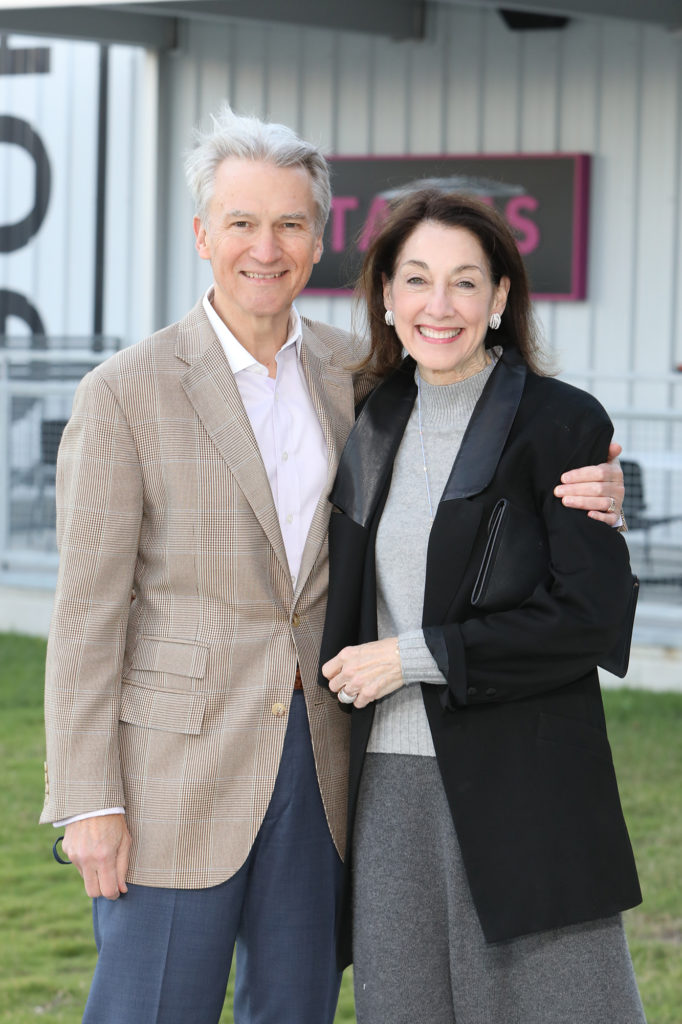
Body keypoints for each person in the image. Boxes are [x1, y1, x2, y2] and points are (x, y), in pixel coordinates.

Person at [40, 105, 627, 1024]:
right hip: (173, 779)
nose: (264, 248)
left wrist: (596, 488)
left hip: (325, 773)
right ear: (202, 234)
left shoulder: (362, 380)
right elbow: (85, 617)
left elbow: (480, 452)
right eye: (240, 222)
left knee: (298, 1008)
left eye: (289, 224)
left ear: (320, 242)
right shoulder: (125, 394)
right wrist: (87, 802)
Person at [320, 190, 646, 1024]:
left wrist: (409, 656)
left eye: (466, 282)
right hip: (388, 791)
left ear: (500, 298)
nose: (440, 305)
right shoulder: (362, 416)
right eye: (417, 279)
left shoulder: (562, 425)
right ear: (386, 294)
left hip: (529, 783)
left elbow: (586, 618)